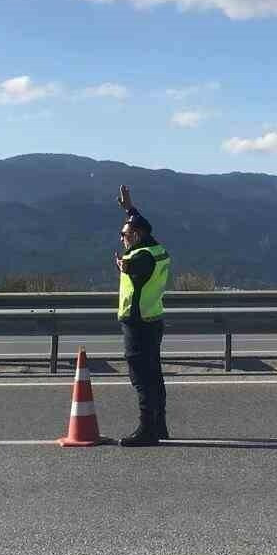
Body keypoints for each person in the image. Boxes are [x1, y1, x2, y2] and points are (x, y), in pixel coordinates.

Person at [115, 184, 172, 446]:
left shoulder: (140, 258)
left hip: (137, 323)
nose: (122, 239)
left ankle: (146, 429)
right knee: (154, 375)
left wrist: (123, 265)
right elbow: (140, 224)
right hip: (153, 320)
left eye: (125, 234)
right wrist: (129, 208)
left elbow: (134, 266)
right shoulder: (154, 248)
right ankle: (159, 425)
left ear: (136, 236)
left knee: (141, 378)